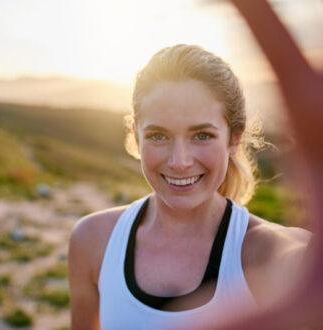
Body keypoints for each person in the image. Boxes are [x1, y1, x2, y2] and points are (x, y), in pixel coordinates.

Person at [67, 44, 311, 330]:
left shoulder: (271, 253)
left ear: (234, 138)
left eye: (202, 135)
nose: (179, 161)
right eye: (158, 136)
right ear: (136, 135)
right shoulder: (93, 240)